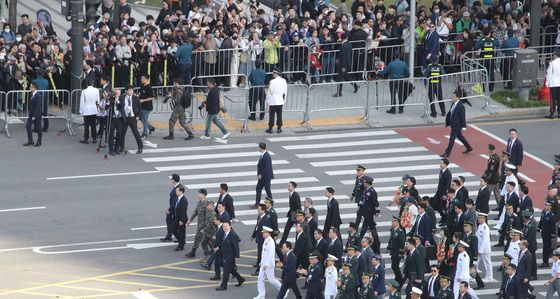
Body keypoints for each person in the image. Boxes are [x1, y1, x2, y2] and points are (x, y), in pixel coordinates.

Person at [440, 87, 472, 158]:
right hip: (453, 124)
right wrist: (447, 122)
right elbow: (450, 113)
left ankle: (447, 153)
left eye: (453, 97)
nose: (452, 98)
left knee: (452, 139)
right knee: (460, 137)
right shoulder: (453, 104)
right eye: (452, 96)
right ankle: (469, 147)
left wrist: (464, 126)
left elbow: (462, 117)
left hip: (457, 125)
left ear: (458, 97)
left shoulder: (461, 106)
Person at [215, 221, 245, 291]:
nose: (224, 228)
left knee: (226, 271)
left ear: (230, 227)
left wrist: (236, 256)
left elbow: (236, 247)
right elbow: (222, 242)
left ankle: (223, 286)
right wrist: (218, 247)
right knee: (230, 269)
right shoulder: (223, 233)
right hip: (223, 254)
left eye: (226, 226)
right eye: (223, 226)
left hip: (229, 256)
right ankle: (240, 279)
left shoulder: (233, 235)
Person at [253, 226, 281, 299]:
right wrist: (261, 262)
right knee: (260, 278)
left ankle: (282, 289)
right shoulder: (266, 240)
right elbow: (264, 253)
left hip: (268, 264)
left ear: (268, 233)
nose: (262, 233)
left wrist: (266, 264)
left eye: (264, 232)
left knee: (271, 280)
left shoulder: (270, 242)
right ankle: (261, 294)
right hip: (264, 263)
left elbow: (271, 255)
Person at [118, 85, 143, 154]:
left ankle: (140, 147)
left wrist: (138, 116)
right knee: (122, 133)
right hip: (125, 117)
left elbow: (140, 108)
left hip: (132, 117)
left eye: (132, 90)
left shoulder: (135, 98)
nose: (131, 92)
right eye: (129, 90)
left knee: (135, 132)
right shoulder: (122, 97)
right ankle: (122, 147)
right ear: (126, 91)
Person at [333, 33, 358, 97]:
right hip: (347, 63)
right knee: (346, 77)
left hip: (342, 64)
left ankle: (339, 93)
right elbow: (346, 55)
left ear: (341, 38)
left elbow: (344, 56)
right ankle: (355, 85)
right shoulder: (349, 44)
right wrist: (339, 58)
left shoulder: (343, 45)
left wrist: (343, 66)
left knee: (340, 79)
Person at [185, 189, 209, 258]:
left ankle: (195, 252)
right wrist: (190, 220)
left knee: (204, 239)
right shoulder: (199, 202)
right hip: (200, 224)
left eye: (199, 194)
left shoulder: (207, 204)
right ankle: (194, 252)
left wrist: (204, 227)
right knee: (201, 239)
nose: (198, 195)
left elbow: (208, 217)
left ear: (203, 195)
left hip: (205, 225)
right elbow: (196, 211)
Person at [250, 142, 274, 208]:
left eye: (259, 147)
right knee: (258, 189)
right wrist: (258, 175)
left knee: (267, 190)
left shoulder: (267, 156)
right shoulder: (263, 155)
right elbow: (260, 166)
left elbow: (267, 168)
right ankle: (257, 204)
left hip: (266, 177)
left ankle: (271, 203)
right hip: (261, 177)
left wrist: (261, 175)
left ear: (260, 148)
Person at [266, 68, 287, 134]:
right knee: (279, 115)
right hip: (280, 100)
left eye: (273, 73)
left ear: (276, 74)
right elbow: (285, 92)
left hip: (273, 100)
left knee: (271, 115)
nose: (273, 74)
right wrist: (284, 100)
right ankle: (279, 128)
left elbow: (270, 92)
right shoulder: (284, 81)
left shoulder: (272, 82)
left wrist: (268, 100)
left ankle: (270, 129)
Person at [280, 181, 302, 245]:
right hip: (292, 215)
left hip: (296, 216)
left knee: (298, 231)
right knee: (286, 229)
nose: (288, 187)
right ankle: (281, 243)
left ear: (293, 187)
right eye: (288, 186)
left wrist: (298, 217)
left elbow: (299, 207)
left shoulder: (296, 195)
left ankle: (298, 244)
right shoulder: (290, 194)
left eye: (289, 186)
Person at [79, 79, 100, 144]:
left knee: (86, 125)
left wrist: (81, 110)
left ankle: (86, 138)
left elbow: (82, 102)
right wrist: (98, 110)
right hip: (93, 108)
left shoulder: (84, 91)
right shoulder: (96, 90)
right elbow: (98, 100)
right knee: (93, 124)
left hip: (87, 108)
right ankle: (94, 138)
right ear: (92, 84)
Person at [251, 204, 271, 274]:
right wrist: (253, 236)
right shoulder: (259, 217)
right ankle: (258, 264)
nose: (258, 211)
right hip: (259, 238)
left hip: (263, 239)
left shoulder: (266, 219)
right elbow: (257, 227)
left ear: (263, 210)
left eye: (259, 210)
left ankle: (259, 270)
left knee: (261, 254)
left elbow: (266, 230)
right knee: (259, 253)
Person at [359, 176, 380, 241]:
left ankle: (359, 239)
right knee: (372, 227)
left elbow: (375, 202)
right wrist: (360, 204)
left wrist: (377, 211)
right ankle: (376, 240)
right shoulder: (366, 190)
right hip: (365, 211)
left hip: (370, 211)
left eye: (364, 183)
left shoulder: (372, 191)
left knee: (364, 226)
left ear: (367, 183)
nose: (364, 184)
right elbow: (363, 199)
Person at [161, 174, 180, 242]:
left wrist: (169, 210)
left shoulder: (177, 188)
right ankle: (170, 236)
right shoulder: (177, 186)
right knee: (171, 222)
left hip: (175, 210)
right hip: (174, 208)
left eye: (172, 179)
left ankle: (176, 237)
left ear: (174, 180)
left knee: (172, 223)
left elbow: (175, 201)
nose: (171, 180)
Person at [538, 199, 557, 268]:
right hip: (544, 233)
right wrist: (538, 228)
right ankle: (547, 258)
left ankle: (545, 262)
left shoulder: (551, 215)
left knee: (545, 248)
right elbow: (541, 221)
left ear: (550, 207)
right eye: (544, 204)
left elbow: (553, 227)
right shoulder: (543, 212)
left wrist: (552, 236)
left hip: (548, 235)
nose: (545, 206)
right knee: (546, 248)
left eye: (546, 205)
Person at [23, 82, 43, 147]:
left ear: (34, 88)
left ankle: (39, 141)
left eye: (31, 87)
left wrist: (34, 116)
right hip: (31, 114)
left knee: (38, 128)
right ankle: (30, 140)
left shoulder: (38, 95)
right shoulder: (31, 94)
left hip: (37, 115)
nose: (30, 88)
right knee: (28, 126)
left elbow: (38, 107)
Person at [388, 215, 405, 284]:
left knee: (395, 266)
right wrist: (388, 247)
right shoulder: (393, 230)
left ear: (397, 222)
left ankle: (400, 279)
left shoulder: (400, 231)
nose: (392, 223)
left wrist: (400, 253)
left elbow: (402, 243)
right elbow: (391, 239)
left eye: (393, 221)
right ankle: (398, 277)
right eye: (392, 221)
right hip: (393, 251)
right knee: (394, 266)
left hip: (397, 252)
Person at [434, 159, 452, 224]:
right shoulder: (441, 171)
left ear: (445, 164)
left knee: (443, 207)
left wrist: (445, 195)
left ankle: (445, 219)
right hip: (439, 191)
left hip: (443, 193)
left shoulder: (448, 173)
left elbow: (448, 185)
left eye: (441, 163)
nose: (440, 165)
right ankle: (443, 216)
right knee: (435, 204)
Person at [475, 212, 492, 282]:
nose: (478, 220)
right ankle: (474, 275)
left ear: (484, 219)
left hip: (484, 249)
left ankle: (489, 277)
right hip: (479, 248)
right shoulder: (480, 226)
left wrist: (480, 250)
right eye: (478, 218)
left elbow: (485, 240)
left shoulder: (485, 227)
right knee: (475, 262)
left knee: (487, 263)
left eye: (480, 218)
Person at [484, 144, 501, 209]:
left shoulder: (494, 159)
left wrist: (487, 178)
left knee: (486, 194)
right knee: (497, 193)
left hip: (492, 180)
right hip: (496, 178)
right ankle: (500, 206)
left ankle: (484, 207)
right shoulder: (495, 156)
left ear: (490, 150)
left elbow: (491, 170)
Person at [138, 74, 156, 139]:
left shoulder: (149, 88)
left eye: (143, 79)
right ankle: (151, 128)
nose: (141, 80)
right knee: (140, 118)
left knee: (144, 119)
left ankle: (145, 133)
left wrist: (144, 100)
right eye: (141, 78)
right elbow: (140, 95)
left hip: (147, 107)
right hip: (141, 106)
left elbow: (152, 97)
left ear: (147, 79)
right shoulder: (142, 86)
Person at [172, 185, 189, 251]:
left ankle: (181, 245)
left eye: (177, 191)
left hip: (182, 219)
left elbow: (184, 211)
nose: (176, 191)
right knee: (174, 230)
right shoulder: (178, 198)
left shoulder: (184, 200)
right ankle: (181, 240)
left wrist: (182, 220)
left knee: (181, 232)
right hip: (177, 217)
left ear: (181, 192)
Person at [546, 49, 560, 119]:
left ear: (555, 55)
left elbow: (549, 74)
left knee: (553, 99)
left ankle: (552, 112)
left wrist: (547, 82)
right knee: (559, 98)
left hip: (553, 83)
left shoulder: (552, 63)